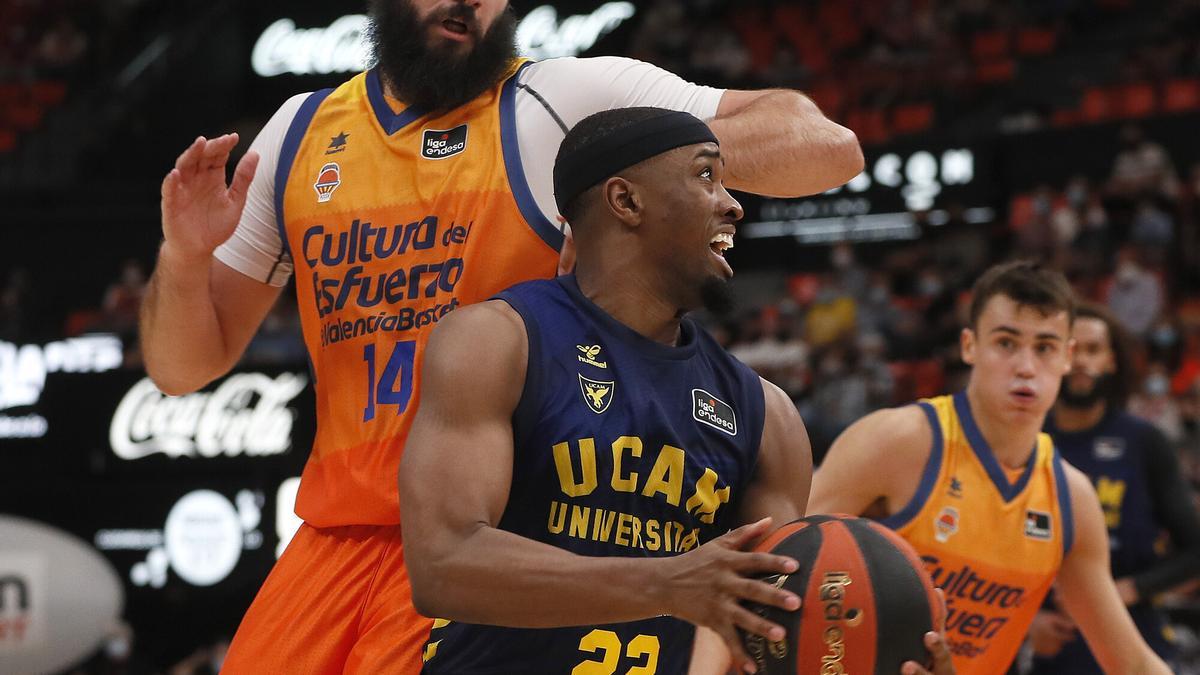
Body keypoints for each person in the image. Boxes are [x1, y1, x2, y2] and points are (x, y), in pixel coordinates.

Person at [138, 0, 864, 672]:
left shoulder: (559, 101)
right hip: (332, 537)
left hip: (492, 533)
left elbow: (825, 146)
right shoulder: (300, 131)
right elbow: (182, 367)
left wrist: (640, 160)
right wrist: (186, 255)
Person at [400, 106, 944, 675]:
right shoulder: (498, 339)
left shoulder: (765, 414)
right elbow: (444, 563)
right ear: (627, 201)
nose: (734, 204)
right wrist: (666, 583)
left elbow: (773, 633)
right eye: (706, 176)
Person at [807, 260, 1172, 675]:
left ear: (1068, 357)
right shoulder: (896, 441)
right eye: (1006, 342)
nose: (1026, 366)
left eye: (1045, 347)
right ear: (969, 346)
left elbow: (1133, 663)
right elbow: (786, 561)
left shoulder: (1071, 498)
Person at [1028, 303, 1200, 673]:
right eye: (1071, 349)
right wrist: (1027, 624)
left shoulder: (1144, 441)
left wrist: (1129, 590)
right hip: (1050, 646)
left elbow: (1195, 549)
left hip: (1133, 637)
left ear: (1111, 360)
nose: (1081, 362)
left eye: (1093, 350)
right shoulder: (1024, 440)